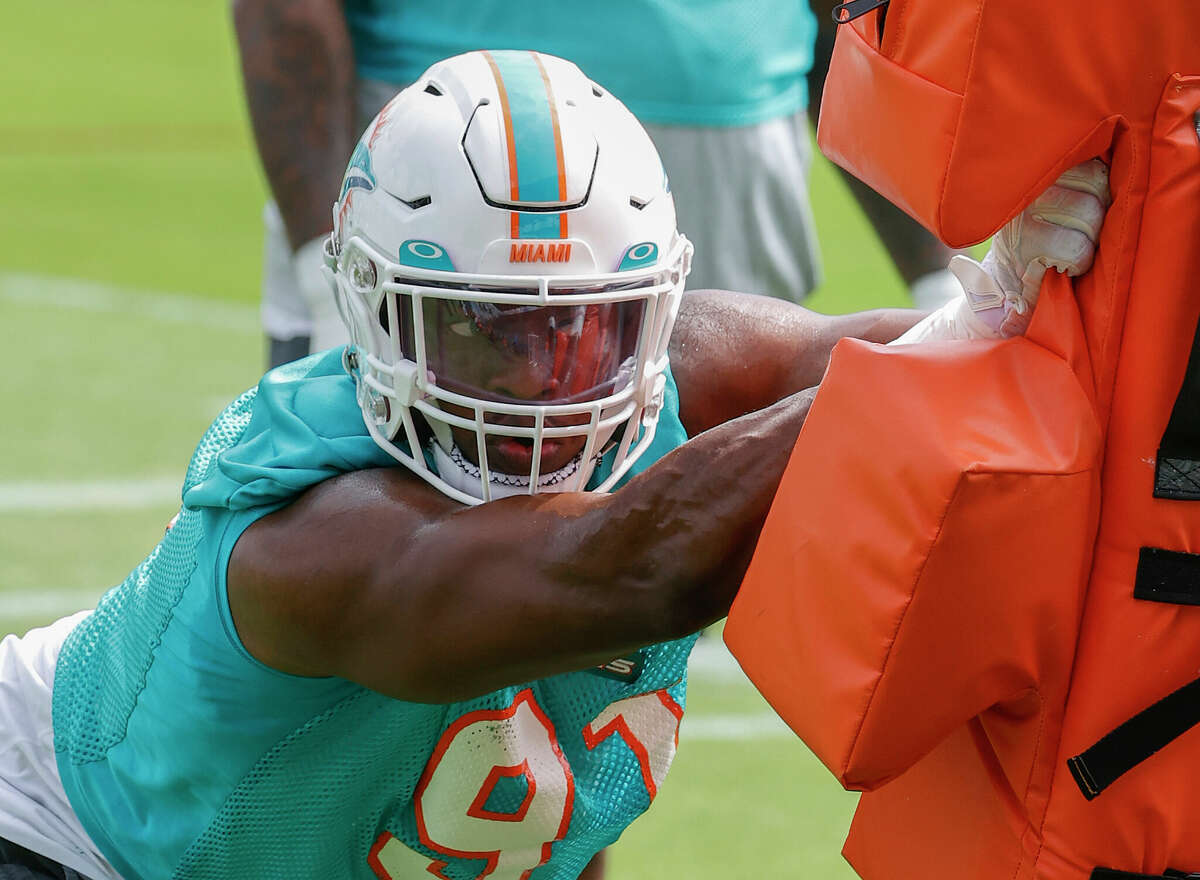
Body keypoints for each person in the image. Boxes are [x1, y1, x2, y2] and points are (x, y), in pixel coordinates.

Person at [0, 52, 1104, 880]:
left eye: (594, 328)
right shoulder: (312, 543)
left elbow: (890, 358)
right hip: (67, 843)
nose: (550, 379)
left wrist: (1030, 300)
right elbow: (627, 572)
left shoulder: (692, 366)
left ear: (658, 308)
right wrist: (971, 326)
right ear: (378, 314)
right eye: (491, 329)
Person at [232, 0, 965, 369]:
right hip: (449, 171)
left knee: (667, 585)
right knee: (395, 561)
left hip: (730, 159)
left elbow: (847, 17)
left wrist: (940, 271)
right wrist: (322, 253)